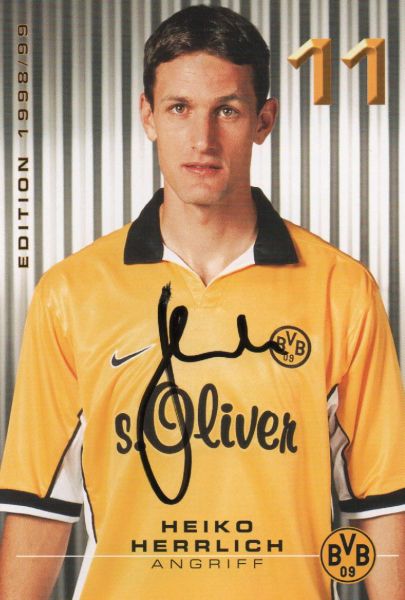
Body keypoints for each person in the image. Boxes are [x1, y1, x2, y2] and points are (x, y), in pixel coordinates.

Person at [0, 5, 404, 600]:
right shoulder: (71, 293)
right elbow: (40, 508)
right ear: (148, 115)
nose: (202, 139)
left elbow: (382, 505)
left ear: (264, 120)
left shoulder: (341, 290)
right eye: (179, 108)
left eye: (228, 110)